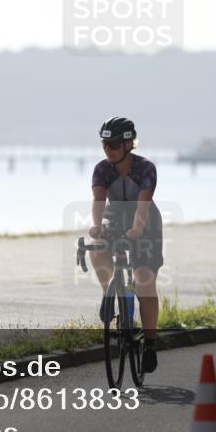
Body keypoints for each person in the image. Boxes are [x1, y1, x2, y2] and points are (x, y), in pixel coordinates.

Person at [87, 117, 163, 373]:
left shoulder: (145, 168)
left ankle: (150, 344)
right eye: (104, 144)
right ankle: (109, 292)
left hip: (146, 220)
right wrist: (97, 225)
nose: (108, 149)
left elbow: (144, 202)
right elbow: (98, 200)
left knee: (144, 280)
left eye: (114, 145)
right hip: (115, 216)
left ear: (129, 144)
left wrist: (137, 229)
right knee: (96, 246)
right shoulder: (102, 169)